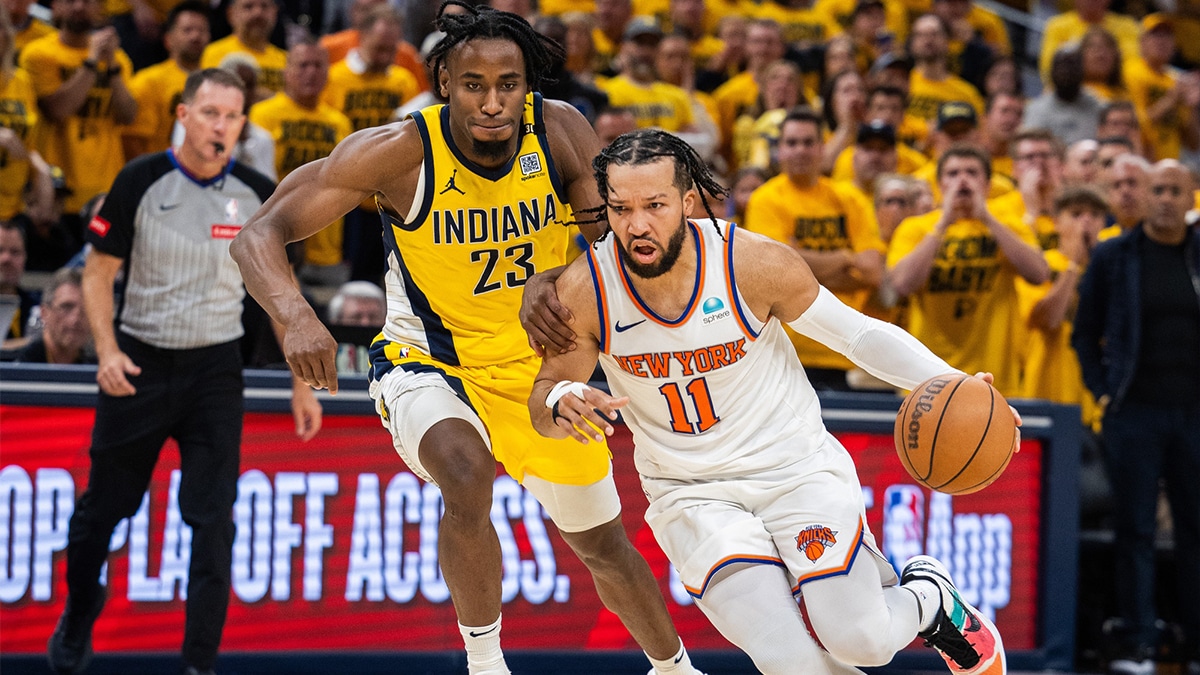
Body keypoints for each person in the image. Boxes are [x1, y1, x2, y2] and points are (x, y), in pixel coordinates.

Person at [229, 4, 704, 675]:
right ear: (446, 83)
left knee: (602, 542)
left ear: (525, 84)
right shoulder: (398, 152)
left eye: (507, 84)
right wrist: (295, 314)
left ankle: (675, 667)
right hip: (428, 361)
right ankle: (486, 662)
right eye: (474, 84)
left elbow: (616, 247)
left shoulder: (560, 130)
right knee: (466, 472)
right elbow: (259, 233)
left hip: (540, 367)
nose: (492, 101)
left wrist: (560, 279)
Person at [524, 127, 1013, 675]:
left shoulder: (749, 262)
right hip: (691, 493)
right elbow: (542, 401)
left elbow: (858, 336)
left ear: (687, 202)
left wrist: (960, 383)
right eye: (621, 208)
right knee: (791, 662)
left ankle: (929, 599)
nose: (636, 224)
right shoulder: (587, 288)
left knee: (863, 644)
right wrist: (563, 397)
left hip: (794, 470)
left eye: (654, 205)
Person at [45, 68, 323, 675]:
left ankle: (200, 663)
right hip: (141, 359)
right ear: (183, 114)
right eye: (211, 113)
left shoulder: (256, 194)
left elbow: (282, 291)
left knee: (212, 519)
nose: (222, 125)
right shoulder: (140, 180)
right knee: (104, 513)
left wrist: (303, 382)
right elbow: (97, 273)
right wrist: (108, 349)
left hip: (215, 371)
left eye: (233, 116)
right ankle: (80, 609)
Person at [1072, 160, 1200, 675]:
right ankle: (1139, 644)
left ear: (1192, 198)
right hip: (1135, 414)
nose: (1165, 198)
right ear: (1142, 196)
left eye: (1175, 190)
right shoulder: (1113, 256)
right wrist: (1104, 394)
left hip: (1195, 415)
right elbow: (1085, 334)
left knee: (1196, 531)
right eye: (1157, 189)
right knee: (1135, 532)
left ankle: (1195, 647)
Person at [888, 144, 1050, 397]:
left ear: (987, 184)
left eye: (971, 173)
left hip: (994, 378)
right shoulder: (915, 228)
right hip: (926, 380)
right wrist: (943, 223)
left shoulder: (1007, 224)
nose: (962, 180)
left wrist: (986, 218)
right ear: (940, 185)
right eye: (953, 174)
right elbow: (902, 285)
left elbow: (1039, 274)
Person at [744, 107, 885, 391]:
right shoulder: (765, 200)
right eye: (792, 143)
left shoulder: (850, 197)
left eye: (808, 142)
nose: (800, 151)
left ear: (822, 148)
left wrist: (800, 261)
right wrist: (846, 257)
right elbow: (776, 275)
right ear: (779, 150)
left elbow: (873, 272)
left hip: (848, 348)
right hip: (787, 351)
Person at [18, 0, 136, 240]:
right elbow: (58, 109)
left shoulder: (118, 59)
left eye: (89, 1)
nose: (80, 7)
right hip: (57, 192)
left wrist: (112, 66)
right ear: (56, 6)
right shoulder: (38, 53)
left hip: (105, 191)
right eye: (70, 1)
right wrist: (92, 62)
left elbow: (128, 115)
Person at [249, 40, 353, 284]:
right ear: (286, 72)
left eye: (318, 66)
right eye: (303, 65)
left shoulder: (340, 123)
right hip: (277, 244)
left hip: (327, 250)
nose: (311, 72)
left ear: (328, 73)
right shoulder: (262, 115)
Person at [123, 1, 211, 159]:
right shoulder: (148, 81)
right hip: (160, 173)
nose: (195, 36)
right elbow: (133, 140)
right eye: (187, 30)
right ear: (168, 39)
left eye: (201, 30)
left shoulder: (216, 82)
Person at [199, 0, 286, 94]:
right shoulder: (213, 54)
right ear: (231, 14)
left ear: (275, 12)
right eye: (248, 7)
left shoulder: (287, 60)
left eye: (264, 6)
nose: (258, 13)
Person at [12, 265, 92, 364]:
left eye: (86, 310)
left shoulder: (100, 369)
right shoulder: (16, 366)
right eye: (66, 307)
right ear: (44, 313)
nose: (76, 318)